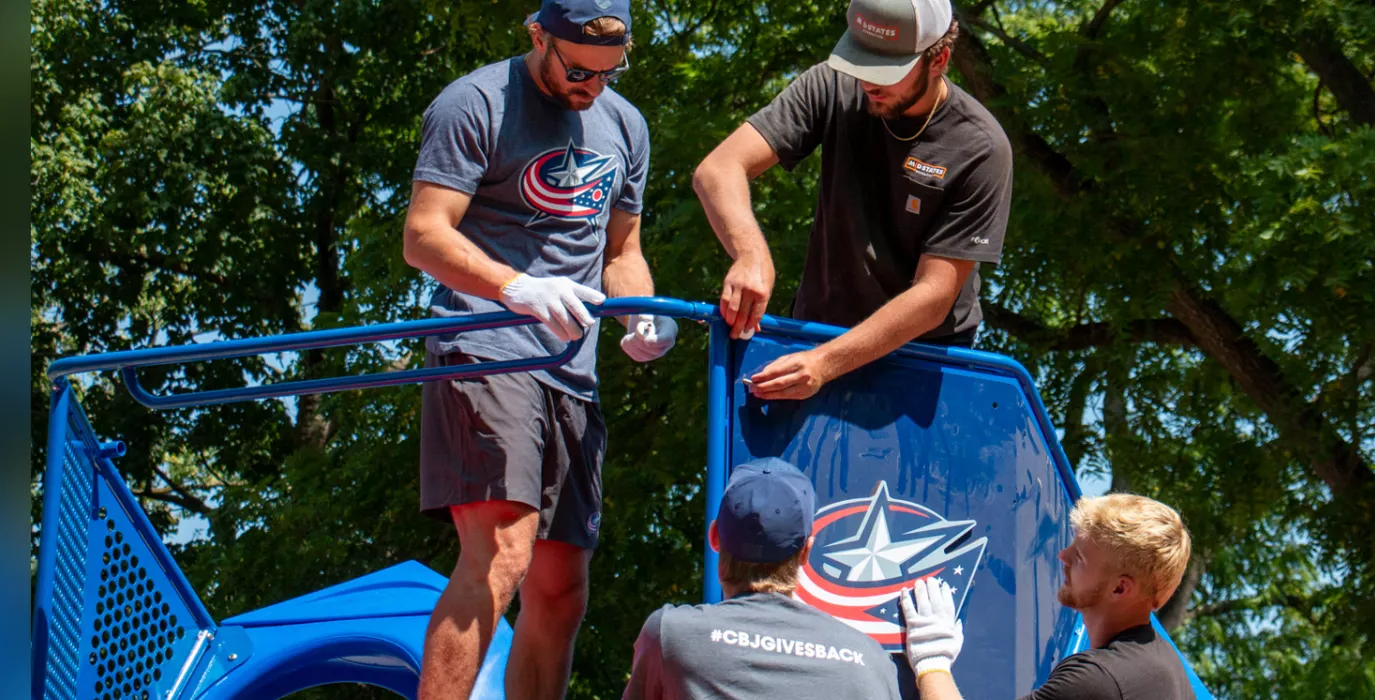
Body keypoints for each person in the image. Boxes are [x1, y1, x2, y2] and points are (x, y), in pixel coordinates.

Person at [400, 0, 676, 696]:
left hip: (570, 370)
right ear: (537, 36)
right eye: (578, 69)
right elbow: (424, 236)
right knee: (502, 552)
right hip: (485, 341)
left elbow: (623, 253)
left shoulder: (626, 126)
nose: (592, 86)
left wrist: (640, 317)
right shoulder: (475, 102)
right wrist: (515, 286)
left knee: (560, 588)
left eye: (609, 73)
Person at [691, 0, 1014, 401]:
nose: (866, 82)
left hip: (920, 361)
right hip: (813, 340)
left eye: (885, 71)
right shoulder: (830, 85)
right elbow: (718, 169)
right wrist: (750, 254)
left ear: (939, 59)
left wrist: (826, 363)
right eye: (860, 61)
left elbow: (934, 296)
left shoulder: (980, 147)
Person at [621, 458, 903, 700]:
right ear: (806, 551)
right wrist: (932, 667)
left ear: (715, 537)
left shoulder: (671, 635)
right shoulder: (871, 661)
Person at [900, 494, 1198, 700]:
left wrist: (932, 660)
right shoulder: (1167, 669)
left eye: (1080, 557)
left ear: (1120, 589)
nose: (1062, 556)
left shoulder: (1101, 679)